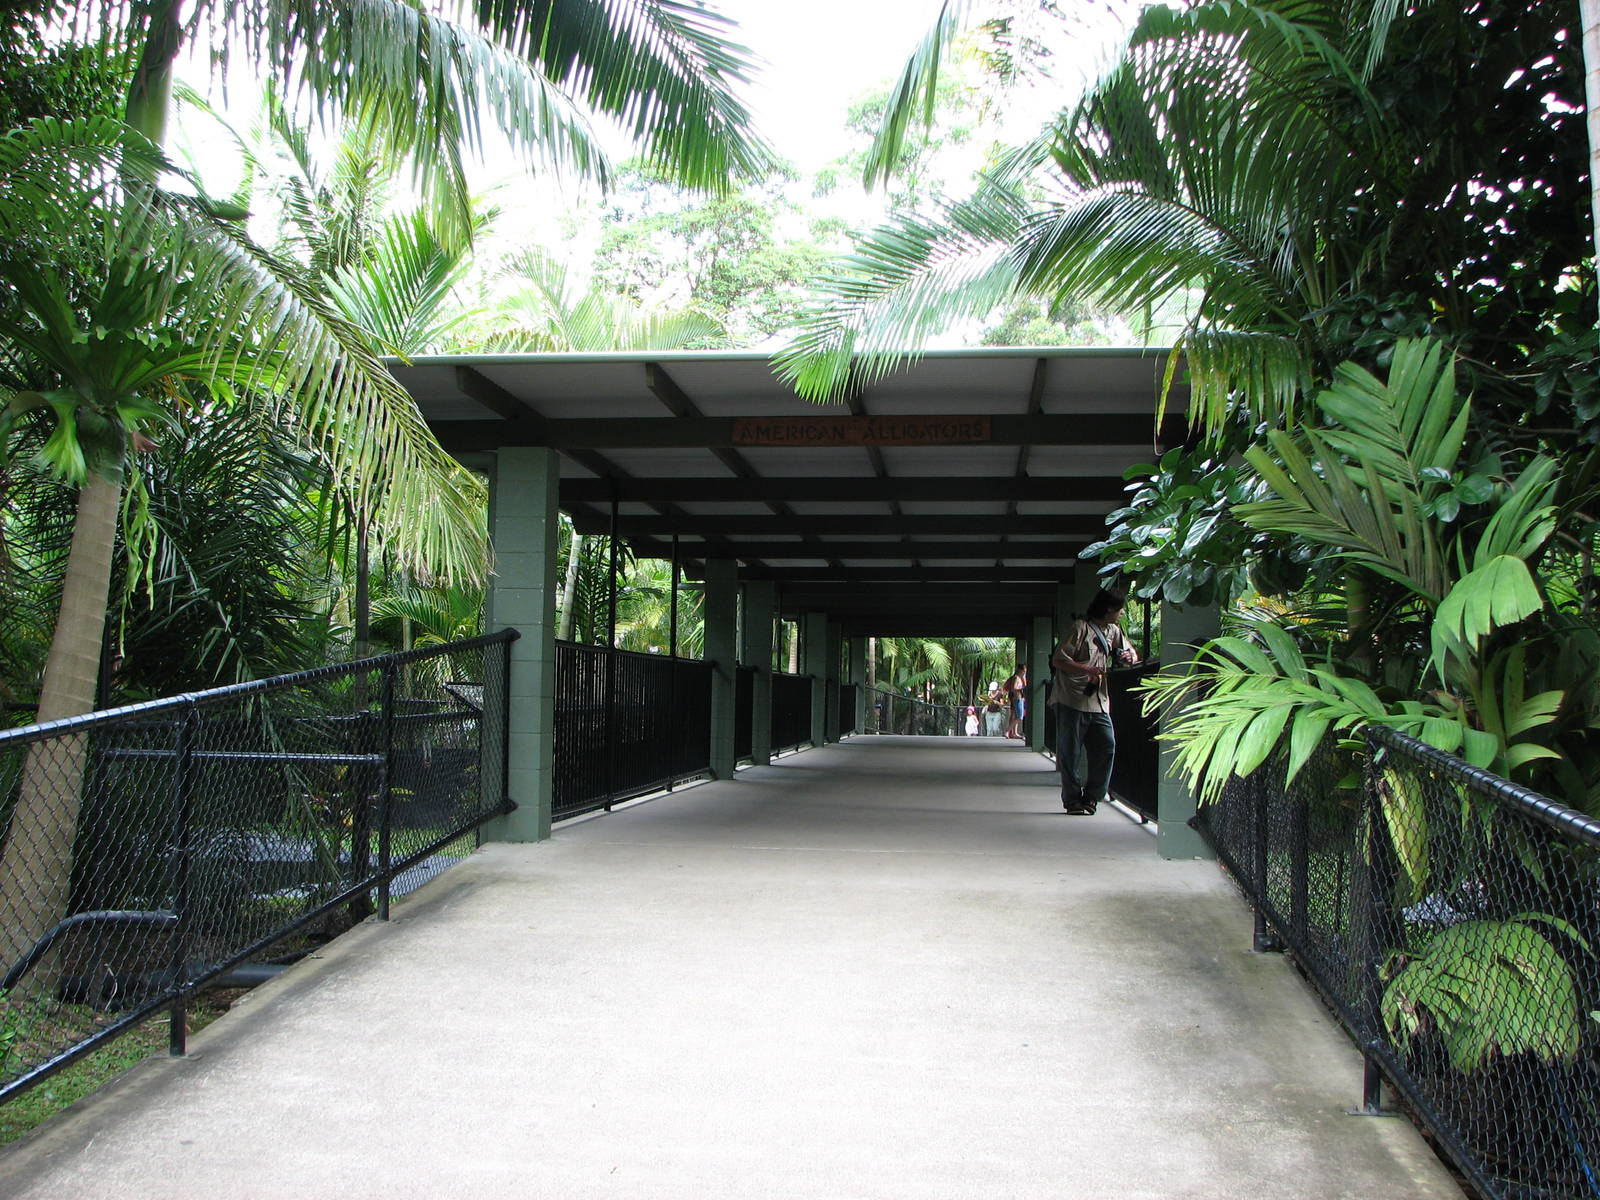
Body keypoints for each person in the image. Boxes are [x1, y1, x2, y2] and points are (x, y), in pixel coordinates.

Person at [1049, 587, 1139, 815]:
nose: (1122, 614)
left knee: (1107, 745)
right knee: (1070, 752)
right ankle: (1072, 800)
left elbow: (1130, 651)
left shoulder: (1114, 631)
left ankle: (1092, 796)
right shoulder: (1080, 628)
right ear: (1109, 608)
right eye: (1120, 609)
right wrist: (1085, 669)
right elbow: (1059, 659)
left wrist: (1131, 656)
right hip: (1072, 698)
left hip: (1099, 700)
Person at [1004, 664, 1027, 740]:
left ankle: (1014, 732)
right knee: (1020, 717)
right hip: (1017, 698)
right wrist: (1021, 689)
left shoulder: (1019, 678)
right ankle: (1007, 731)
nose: (1024, 672)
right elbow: (1013, 688)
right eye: (1024, 671)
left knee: (1017, 716)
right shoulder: (1016, 678)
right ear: (1020, 670)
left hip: (1019, 698)